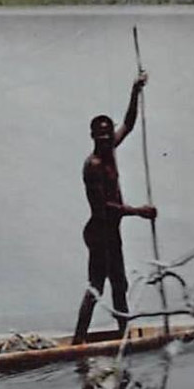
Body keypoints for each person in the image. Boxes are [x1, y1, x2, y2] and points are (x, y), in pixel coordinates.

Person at [72, 69, 158, 344]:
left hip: (112, 232)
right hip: (99, 233)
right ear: (92, 136)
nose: (107, 139)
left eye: (109, 135)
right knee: (97, 287)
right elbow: (104, 208)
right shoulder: (93, 165)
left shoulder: (110, 151)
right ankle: (77, 343)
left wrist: (136, 90)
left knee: (120, 284)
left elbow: (129, 124)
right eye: (101, 136)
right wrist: (138, 212)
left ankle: (123, 337)